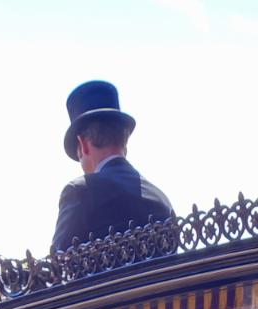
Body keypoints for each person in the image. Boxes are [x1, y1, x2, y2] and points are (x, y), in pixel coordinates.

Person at [51, 80, 175, 254]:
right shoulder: (161, 199)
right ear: (125, 139)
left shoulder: (79, 192)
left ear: (83, 144)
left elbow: (58, 263)